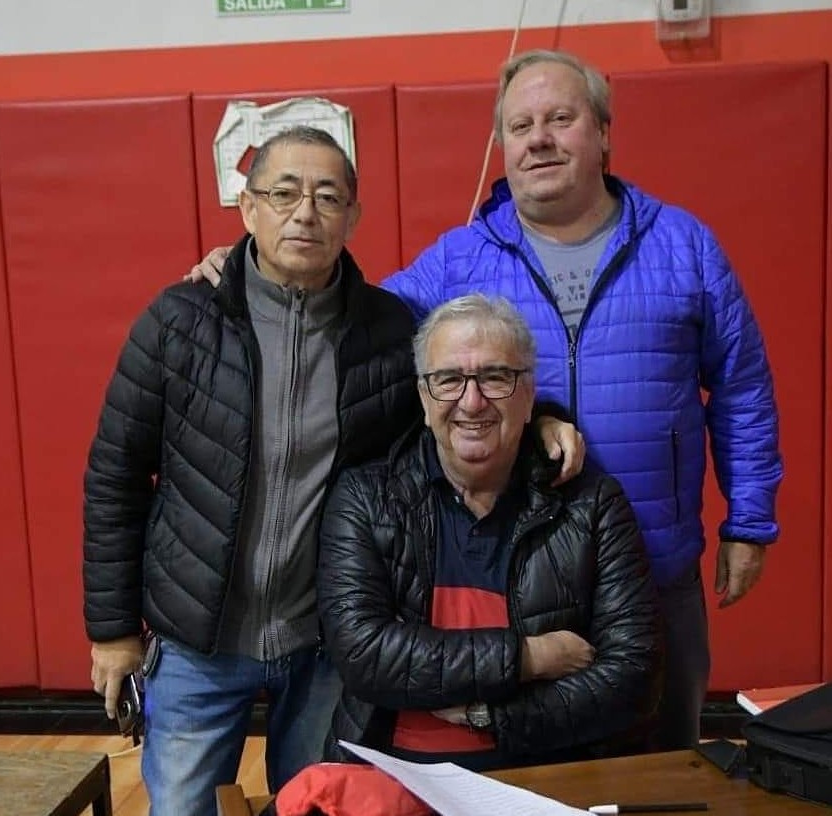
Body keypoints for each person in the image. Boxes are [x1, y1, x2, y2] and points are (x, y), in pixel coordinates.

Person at [189, 49, 783, 750]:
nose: (538, 138)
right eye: (519, 124)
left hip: (656, 565)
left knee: (664, 770)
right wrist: (250, 269)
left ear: (601, 132)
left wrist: (749, 520)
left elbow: (741, 384)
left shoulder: (684, 247)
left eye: (560, 119)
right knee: (532, 769)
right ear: (500, 145)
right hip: (528, 576)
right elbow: (352, 319)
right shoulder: (461, 257)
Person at [82, 126, 422, 816]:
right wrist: (112, 632)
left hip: (328, 640)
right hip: (197, 640)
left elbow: (459, 410)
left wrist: (542, 417)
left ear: (353, 217)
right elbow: (115, 475)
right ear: (247, 208)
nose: (305, 212)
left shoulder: (391, 334)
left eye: (328, 196)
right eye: (285, 192)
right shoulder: (178, 322)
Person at [316, 294, 663, 770]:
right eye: (449, 379)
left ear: (529, 397)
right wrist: (527, 657)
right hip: (389, 776)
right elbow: (365, 654)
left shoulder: (593, 506)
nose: (472, 401)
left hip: (545, 779)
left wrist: (491, 716)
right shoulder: (365, 499)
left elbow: (634, 677)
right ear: (423, 397)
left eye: (496, 377)